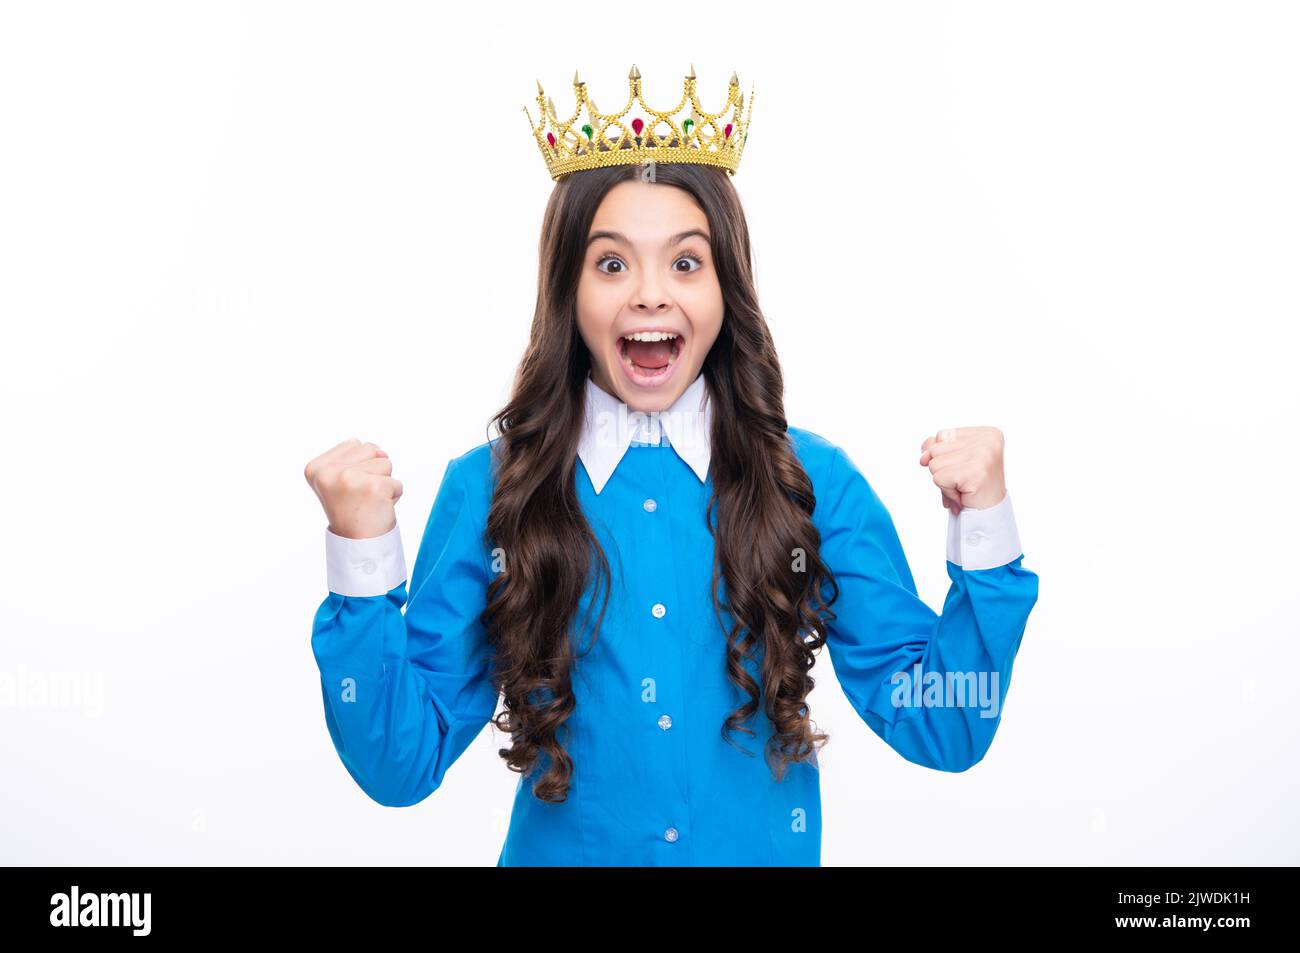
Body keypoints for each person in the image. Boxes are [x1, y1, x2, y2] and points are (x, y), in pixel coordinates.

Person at [302, 65, 1039, 866]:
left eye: (685, 263)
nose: (650, 294)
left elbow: (945, 725)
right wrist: (362, 560)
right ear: (568, 291)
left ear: (727, 288)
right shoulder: (491, 491)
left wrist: (986, 534)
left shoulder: (813, 484)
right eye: (612, 264)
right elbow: (399, 765)